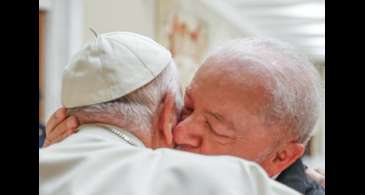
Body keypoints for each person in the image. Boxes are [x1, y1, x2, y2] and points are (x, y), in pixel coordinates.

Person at [39, 32, 299, 195]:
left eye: (215, 126)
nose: (182, 131)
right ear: (165, 114)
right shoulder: (230, 182)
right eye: (185, 110)